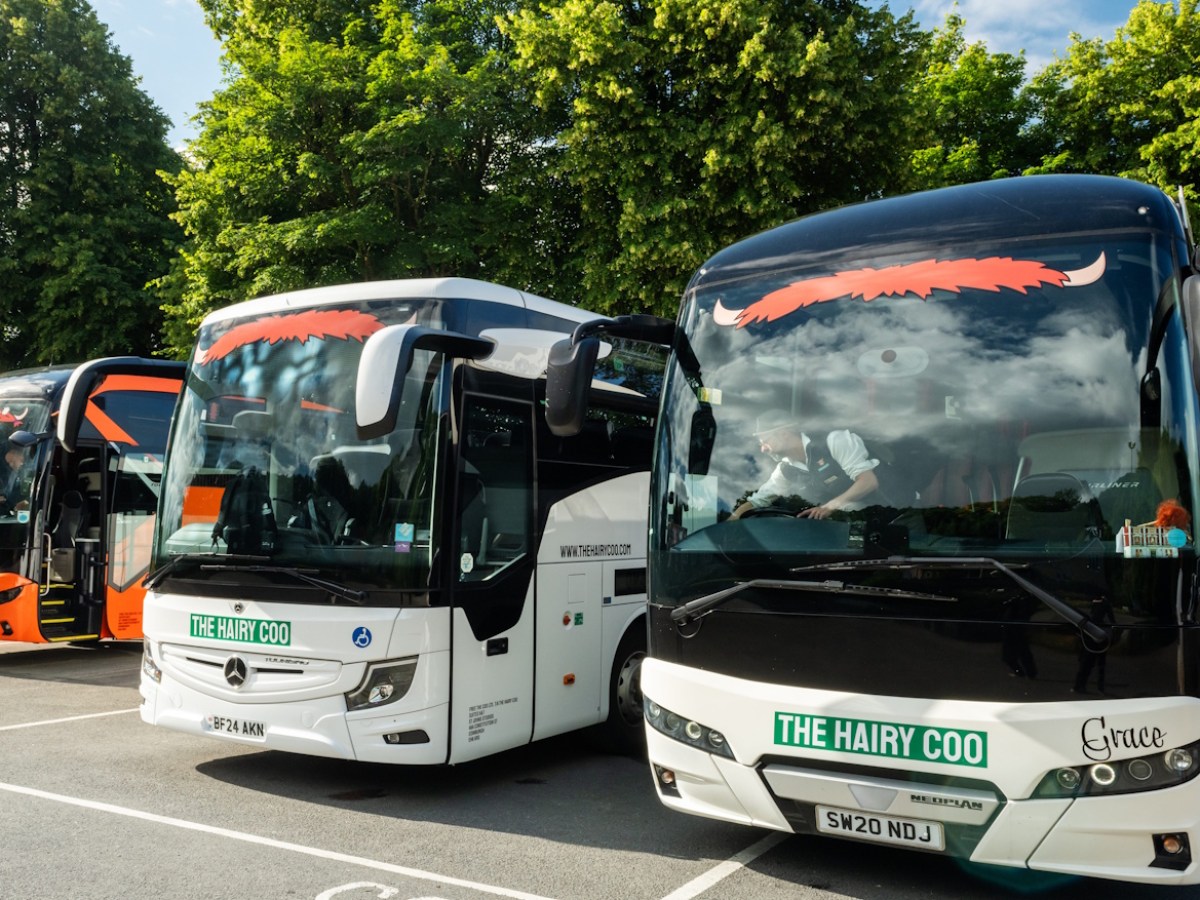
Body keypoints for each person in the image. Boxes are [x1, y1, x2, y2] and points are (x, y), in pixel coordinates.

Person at [730, 410, 883, 520]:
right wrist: (729, 522)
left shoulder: (833, 441)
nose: (763, 449)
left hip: (878, 518)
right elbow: (758, 501)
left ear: (783, 433)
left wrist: (829, 507)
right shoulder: (785, 469)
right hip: (838, 528)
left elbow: (868, 482)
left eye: (765, 441)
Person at [0, 442, 31, 515]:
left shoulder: (30, 467)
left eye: (12, 462)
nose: (11, 465)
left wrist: (26, 501)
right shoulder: (7, 471)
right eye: (9, 463)